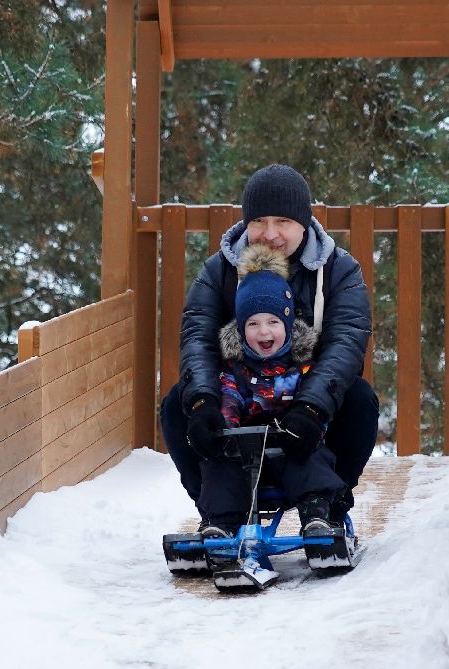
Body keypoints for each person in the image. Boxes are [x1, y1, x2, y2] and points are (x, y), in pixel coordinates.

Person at [159, 163, 379, 531]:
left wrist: (311, 407)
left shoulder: (339, 270)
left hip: (306, 397)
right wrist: (203, 400)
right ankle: (218, 512)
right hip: (238, 396)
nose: (270, 233)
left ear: (304, 223)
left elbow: (347, 342)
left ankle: (328, 503)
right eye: (259, 221)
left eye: (283, 221)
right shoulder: (219, 271)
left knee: (359, 399)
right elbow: (197, 335)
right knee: (176, 405)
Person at [196, 244, 347, 539]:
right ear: (240, 329)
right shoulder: (235, 370)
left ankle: (317, 514)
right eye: (253, 324)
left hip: (290, 446)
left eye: (273, 322)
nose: (263, 332)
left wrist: (309, 421)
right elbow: (229, 400)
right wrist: (225, 431)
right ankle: (222, 523)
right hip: (247, 453)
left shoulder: (303, 367)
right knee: (220, 466)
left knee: (311, 456)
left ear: (288, 325)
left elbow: (317, 402)